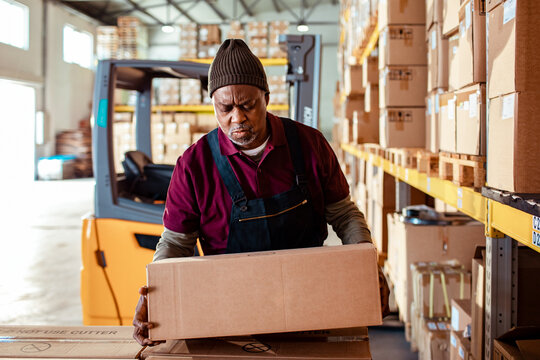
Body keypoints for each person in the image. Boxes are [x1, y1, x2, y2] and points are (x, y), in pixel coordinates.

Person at [133, 39, 389, 346]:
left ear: (266, 98)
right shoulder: (193, 165)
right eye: (225, 108)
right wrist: (159, 296)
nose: (237, 118)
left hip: (310, 307)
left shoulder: (310, 144)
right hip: (229, 316)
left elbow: (343, 213)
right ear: (213, 104)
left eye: (247, 105)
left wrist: (365, 260)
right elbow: (175, 243)